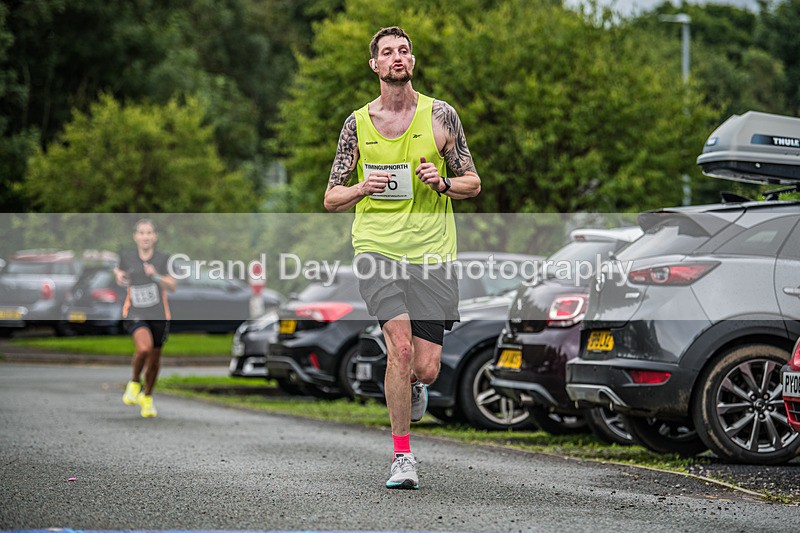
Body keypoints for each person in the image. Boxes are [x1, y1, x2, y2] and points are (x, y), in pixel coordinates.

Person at [323, 26, 481, 489]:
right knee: (403, 347)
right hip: (376, 248)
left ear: (412, 61)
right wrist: (360, 187)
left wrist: (444, 182)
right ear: (374, 65)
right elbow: (332, 198)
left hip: (432, 254)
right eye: (388, 52)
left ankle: (407, 381)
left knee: (426, 367)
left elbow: (474, 183)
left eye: (404, 51)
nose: (398, 57)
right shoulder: (358, 123)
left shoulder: (441, 117)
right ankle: (402, 457)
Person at [115, 219, 176, 418]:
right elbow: (119, 272)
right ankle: (134, 382)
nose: (145, 237)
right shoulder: (127, 256)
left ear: (155, 236)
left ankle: (147, 397)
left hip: (159, 314)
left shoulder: (163, 258)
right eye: (141, 233)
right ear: (136, 236)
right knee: (143, 348)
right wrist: (119, 276)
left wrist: (156, 276)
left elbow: (172, 285)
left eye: (149, 233)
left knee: (155, 360)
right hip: (135, 312)